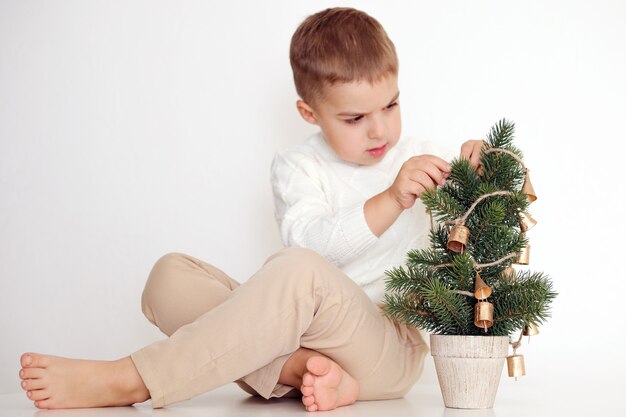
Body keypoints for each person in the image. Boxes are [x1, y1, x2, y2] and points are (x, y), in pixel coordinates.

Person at [18, 7, 483, 412]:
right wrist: (389, 200)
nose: (380, 130)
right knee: (169, 277)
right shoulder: (297, 167)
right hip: (304, 336)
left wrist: (483, 171)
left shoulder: (421, 157)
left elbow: (484, 228)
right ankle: (303, 372)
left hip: (388, 348)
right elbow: (315, 247)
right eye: (355, 118)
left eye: (391, 104)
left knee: (297, 271)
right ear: (309, 113)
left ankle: (134, 378)